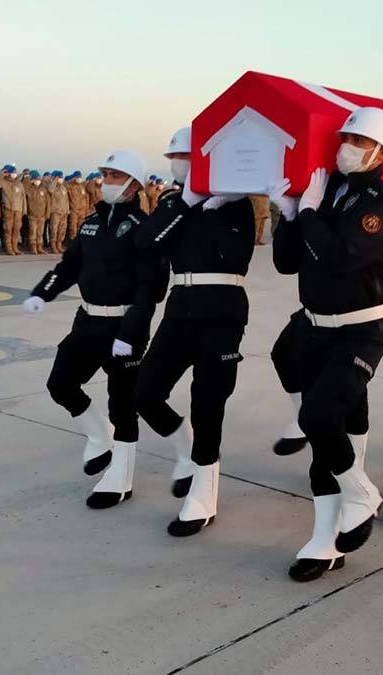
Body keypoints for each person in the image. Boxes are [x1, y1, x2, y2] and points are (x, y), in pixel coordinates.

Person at [270, 107, 383, 581]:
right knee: (329, 437)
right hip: (316, 327)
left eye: (358, 140)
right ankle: (324, 540)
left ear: (382, 152)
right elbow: (287, 263)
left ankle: (362, 493)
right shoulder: (327, 191)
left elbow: (336, 255)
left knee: (319, 418)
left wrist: (307, 213)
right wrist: (288, 216)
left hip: (361, 331)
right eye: (345, 136)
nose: (347, 146)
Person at [22, 150, 167, 508]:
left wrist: (130, 333)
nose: (107, 182)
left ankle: (121, 478)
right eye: (105, 175)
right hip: (87, 322)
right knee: (61, 384)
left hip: (123, 325)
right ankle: (101, 435)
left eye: (115, 176)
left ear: (134, 185)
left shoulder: (143, 228)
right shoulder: (91, 223)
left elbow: (150, 289)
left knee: (123, 404)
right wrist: (43, 292)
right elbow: (70, 265)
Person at [132, 127, 256, 536]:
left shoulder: (237, 204)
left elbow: (235, 255)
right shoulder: (172, 201)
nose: (178, 164)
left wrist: (211, 207)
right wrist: (187, 204)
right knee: (145, 393)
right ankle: (187, 447)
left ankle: (204, 495)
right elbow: (146, 243)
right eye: (174, 157)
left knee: (208, 403)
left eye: (185, 156)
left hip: (222, 310)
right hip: (180, 308)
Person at [0, 164, 26, 256]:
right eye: (12, 173)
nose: (14, 174)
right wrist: (2, 174)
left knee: (16, 229)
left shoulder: (19, 184)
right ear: (8, 173)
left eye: (15, 172)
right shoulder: (3, 182)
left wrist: (24, 209)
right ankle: (8, 247)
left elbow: (23, 197)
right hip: (8, 209)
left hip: (18, 210)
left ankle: (15, 247)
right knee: (8, 229)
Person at [24, 171, 49, 254]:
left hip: (42, 215)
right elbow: (24, 190)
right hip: (32, 215)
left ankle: (39, 246)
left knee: (40, 232)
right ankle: (33, 247)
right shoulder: (29, 188)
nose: (38, 181)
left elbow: (47, 202)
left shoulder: (43, 189)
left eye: (39, 179)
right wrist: (28, 180)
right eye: (36, 179)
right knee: (33, 232)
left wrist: (47, 213)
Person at [48, 171, 70, 253]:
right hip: (55, 212)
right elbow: (50, 190)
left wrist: (67, 210)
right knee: (54, 229)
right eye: (59, 177)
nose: (61, 179)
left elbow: (66, 200)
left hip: (64, 212)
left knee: (62, 229)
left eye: (61, 177)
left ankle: (59, 244)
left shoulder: (63, 187)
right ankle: (53, 245)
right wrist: (55, 180)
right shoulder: (52, 186)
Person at [66, 171, 89, 242]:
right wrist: (71, 180)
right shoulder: (70, 186)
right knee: (73, 227)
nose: (79, 179)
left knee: (81, 226)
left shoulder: (82, 187)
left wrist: (85, 209)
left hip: (82, 210)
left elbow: (85, 198)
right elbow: (64, 185)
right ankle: (73, 242)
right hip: (74, 210)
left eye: (80, 177)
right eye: (78, 177)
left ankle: (80, 242)